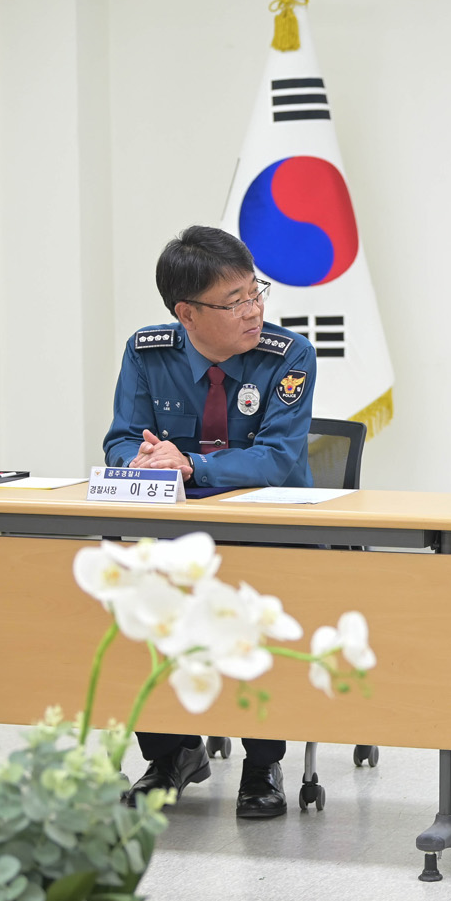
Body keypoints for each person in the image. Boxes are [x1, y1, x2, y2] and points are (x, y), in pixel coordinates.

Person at [104, 225, 316, 820]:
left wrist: (189, 464)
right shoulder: (147, 352)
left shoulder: (288, 355)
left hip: (268, 531)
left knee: (260, 617)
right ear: (187, 313)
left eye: (255, 292)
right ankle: (171, 754)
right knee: (139, 605)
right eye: (234, 301)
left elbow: (276, 458)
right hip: (176, 529)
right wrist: (143, 460)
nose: (254, 311)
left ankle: (263, 761)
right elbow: (121, 440)